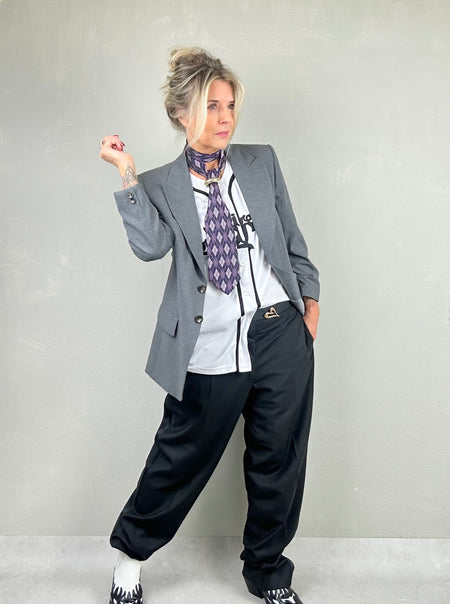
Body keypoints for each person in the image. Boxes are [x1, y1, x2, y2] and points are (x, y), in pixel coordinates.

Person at [100, 47, 320, 604]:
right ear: (181, 114)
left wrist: (309, 303)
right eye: (211, 107)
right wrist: (126, 173)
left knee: (279, 457)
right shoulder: (159, 184)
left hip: (280, 331)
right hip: (211, 341)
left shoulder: (261, 162)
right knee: (180, 457)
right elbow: (150, 247)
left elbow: (290, 237)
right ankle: (131, 555)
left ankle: (268, 572)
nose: (225, 119)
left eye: (230, 106)